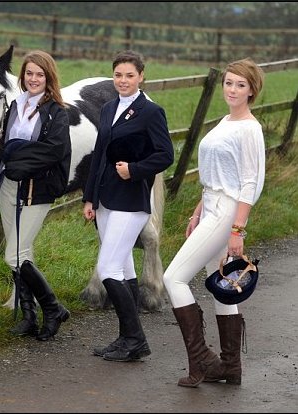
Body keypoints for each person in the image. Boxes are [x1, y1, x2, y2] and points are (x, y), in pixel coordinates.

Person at [163, 58, 265, 387]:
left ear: (252, 91)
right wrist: (197, 211)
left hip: (227, 211)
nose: (232, 89)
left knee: (174, 278)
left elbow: (249, 183)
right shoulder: (225, 121)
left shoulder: (249, 128)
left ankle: (203, 361)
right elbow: (218, 176)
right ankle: (230, 366)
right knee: (221, 284)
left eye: (240, 85)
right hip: (212, 205)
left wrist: (237, 230)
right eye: (228, 83)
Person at [82, 50, 174, 361]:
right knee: (123, 267)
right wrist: (90, 197)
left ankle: (136, 339)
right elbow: (98, 155)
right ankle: (125, 337)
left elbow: (165, 155)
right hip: (106, 200)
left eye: (129, 76)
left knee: (107, 268)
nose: (123, 80)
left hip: (131, 201)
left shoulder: (151, 112)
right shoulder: (108, 108)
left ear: (141, 77)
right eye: (118, 75)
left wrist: (133, 170)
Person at [0, 50, 71, 341]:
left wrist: (15, 156)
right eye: (29, 73)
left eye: (40, 74)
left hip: (38, 190)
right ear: (23, 76)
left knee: (14, 255)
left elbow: (54, 150)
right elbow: (5, 142)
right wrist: (8, 157)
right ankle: (28, 315)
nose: (33, 79)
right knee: (21, 253)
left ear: (48, 78)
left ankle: (53, 308)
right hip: (9, 187)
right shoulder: (15, 105)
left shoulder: (57, 112)